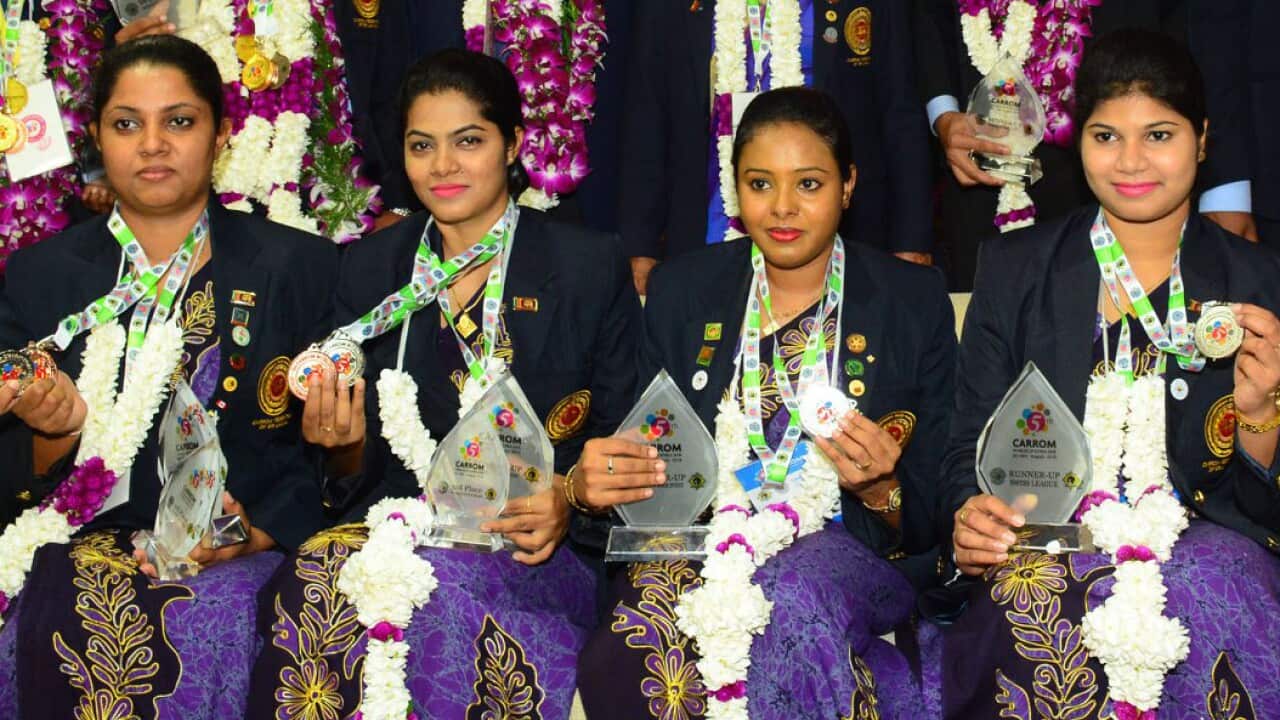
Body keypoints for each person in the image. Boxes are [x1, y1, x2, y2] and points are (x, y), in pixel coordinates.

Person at [247, 48, 640, 719]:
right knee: (315, 578)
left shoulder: (584, 266)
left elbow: (626, 435)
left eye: (469, 141)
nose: (444, 166)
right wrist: (339, 447)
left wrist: (568, 496)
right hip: (395, 530)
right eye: (421, 145)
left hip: (533, 549)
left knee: (433, 592)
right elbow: (349, 469)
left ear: (513, 144)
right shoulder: (371, 270)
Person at [933, 29, 1280, 719]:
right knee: (1036, 599)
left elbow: (1263, 515)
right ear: (1079, 143)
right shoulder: (1016, 270)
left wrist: (1263, 417)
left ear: (1203, 140)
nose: (1131, 162)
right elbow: (963, 449)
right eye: (1105, 136)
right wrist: (970, 517)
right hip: (1046, 545)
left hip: (1208, 548)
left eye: (1159, 135)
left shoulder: (1260, 283)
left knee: (1218, 588)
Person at [577, 86, 955, 719]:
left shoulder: (909, 300)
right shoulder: (683, 291)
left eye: (808, 184)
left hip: (851, 548)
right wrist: (603, 479)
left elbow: (943, 497)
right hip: (703, 539)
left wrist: (879, 489)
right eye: (760, 183)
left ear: (848, 185)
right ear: (735, 189)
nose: (782, 208)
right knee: (641, 624)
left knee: (790, 593)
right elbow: (649, 454)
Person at [0, 35, 337, 718]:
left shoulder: (299, 266)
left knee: (222, 623)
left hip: (243, 559)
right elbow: (11, 472)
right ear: (96, 135)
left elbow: (333, 453)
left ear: (221, 134)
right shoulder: (40, 276)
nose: (152, 144)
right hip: (71, 547)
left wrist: (263, 528)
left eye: (179, 121)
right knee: (66, 610)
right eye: (127, 124)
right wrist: (54, 434)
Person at [913, 0, 1256, 291]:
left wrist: (1224, 187)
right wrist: (943, 114)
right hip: (983, 171)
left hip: (1120, 171)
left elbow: (1206, 34)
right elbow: (929, 19)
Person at [621, 0, 934, 296]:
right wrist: (640, 246)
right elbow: (647, 117)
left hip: (842, 232)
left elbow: (900, 112)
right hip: (706, 225)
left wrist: (911, 238)